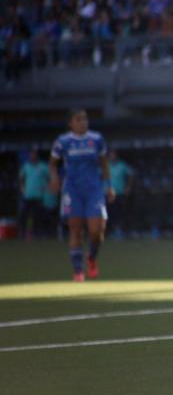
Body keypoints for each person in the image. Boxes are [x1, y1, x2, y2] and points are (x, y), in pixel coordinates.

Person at [49, 109, 115, 281]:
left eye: (85, 119)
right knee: (75, 230)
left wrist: (109, 186)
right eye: (78, 119)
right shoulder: (63, 142)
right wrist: (55, 178)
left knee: (96, 231)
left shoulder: (96, 140)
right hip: (72, 191)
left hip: (94, 190)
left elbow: (104, 164)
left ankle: (91, 257)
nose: (83, 122)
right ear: (70, 123)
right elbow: (53, 163)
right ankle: (78, 271)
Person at [18, 150, 50, 239]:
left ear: (37, 156)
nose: (33, 156)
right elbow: (21, 178)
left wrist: (46, 188)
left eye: (34, 155)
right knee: (24, 215)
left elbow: (50, 178)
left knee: (38, 216)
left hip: (39, 196)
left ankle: (37, 233)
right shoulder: (26, 166)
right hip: (27, 196)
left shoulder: (43, 166)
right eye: (31, 155)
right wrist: (22, 188)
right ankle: (23, 232)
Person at [107, 150, 135, 239]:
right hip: (108, 194)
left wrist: (128, 187)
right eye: (111, 155)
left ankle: (119, 232)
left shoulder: (122, 165)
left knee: (119, 213)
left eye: (113, 155)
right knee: (108, 213)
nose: (112, 157)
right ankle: (108, 232)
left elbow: (132, 174)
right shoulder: (105, 165)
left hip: (120, 194)